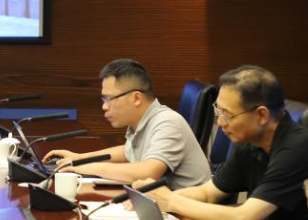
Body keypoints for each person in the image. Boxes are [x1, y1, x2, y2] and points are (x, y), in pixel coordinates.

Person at [139, 65, 308, 220]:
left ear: (262, 115)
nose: (220, 122)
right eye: (218, 111)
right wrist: (155, 199)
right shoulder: (249, 141)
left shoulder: (298, 148)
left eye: (227, 114)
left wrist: (172, 201)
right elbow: (208, 193)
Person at [42, 59, 210, 189]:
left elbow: (147, 173)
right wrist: (79, 158)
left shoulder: (167, 122)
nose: (104, 106)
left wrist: (82, 166)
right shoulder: (142, 120)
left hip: (190, 216)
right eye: (103, 99)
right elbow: (128, 151)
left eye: (109, 99)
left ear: (136, 98)